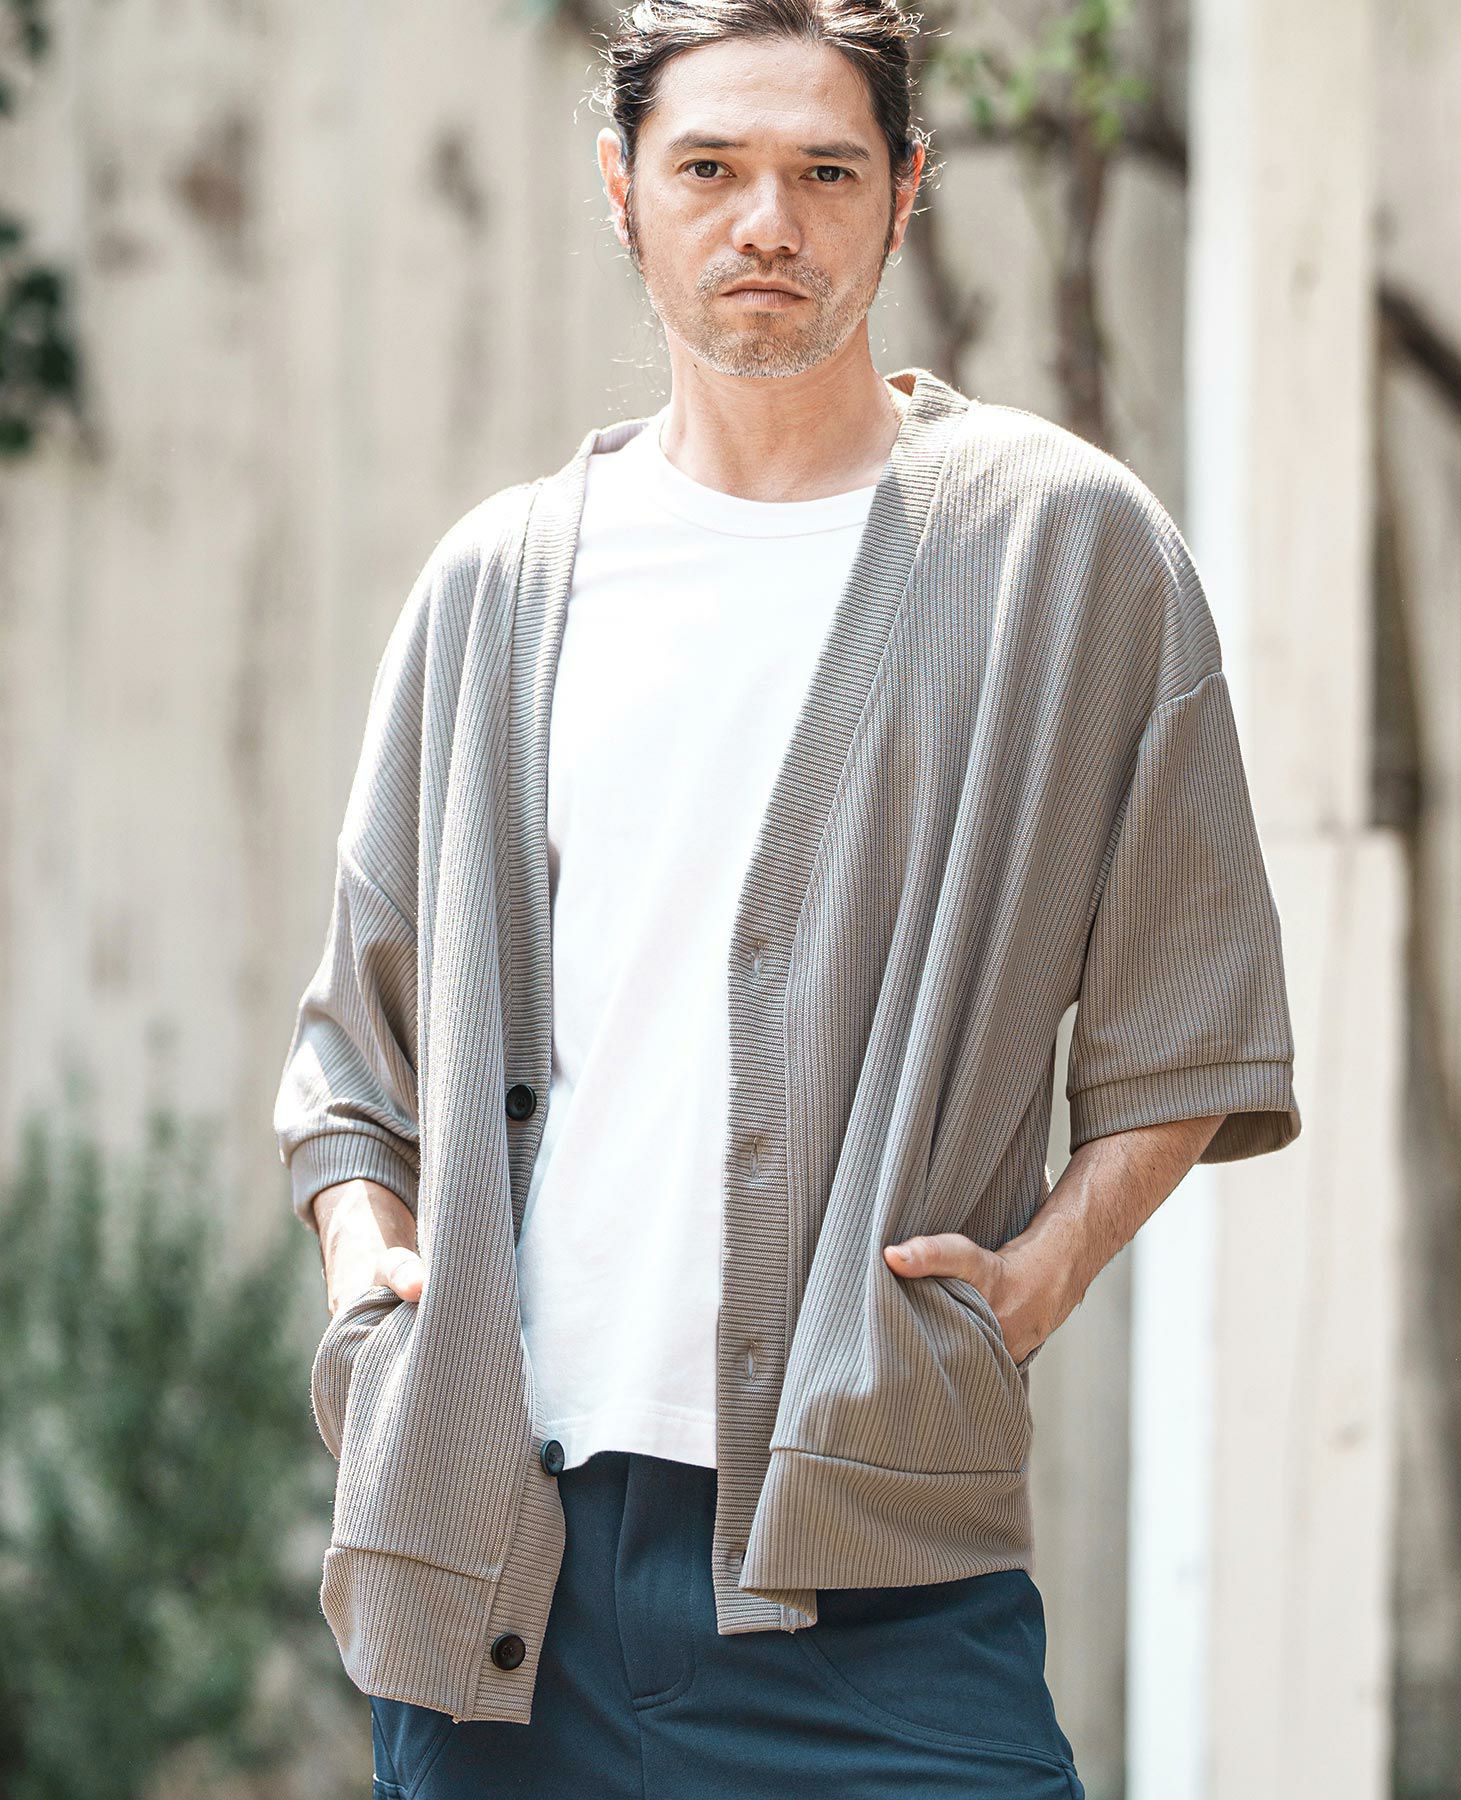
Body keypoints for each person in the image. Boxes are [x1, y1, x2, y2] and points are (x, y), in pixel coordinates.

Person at [272, 2, 1301, 1794]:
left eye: (825, 171)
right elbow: (354, 1061)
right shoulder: (496, 588)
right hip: (501, 1567)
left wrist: (1034, 1282)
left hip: (878, 1584)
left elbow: (1196, 1006)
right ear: (623, 190)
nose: (769, 222)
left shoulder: (1065, 555)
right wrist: (376, 1280)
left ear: (906, 191)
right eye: (711, 169)